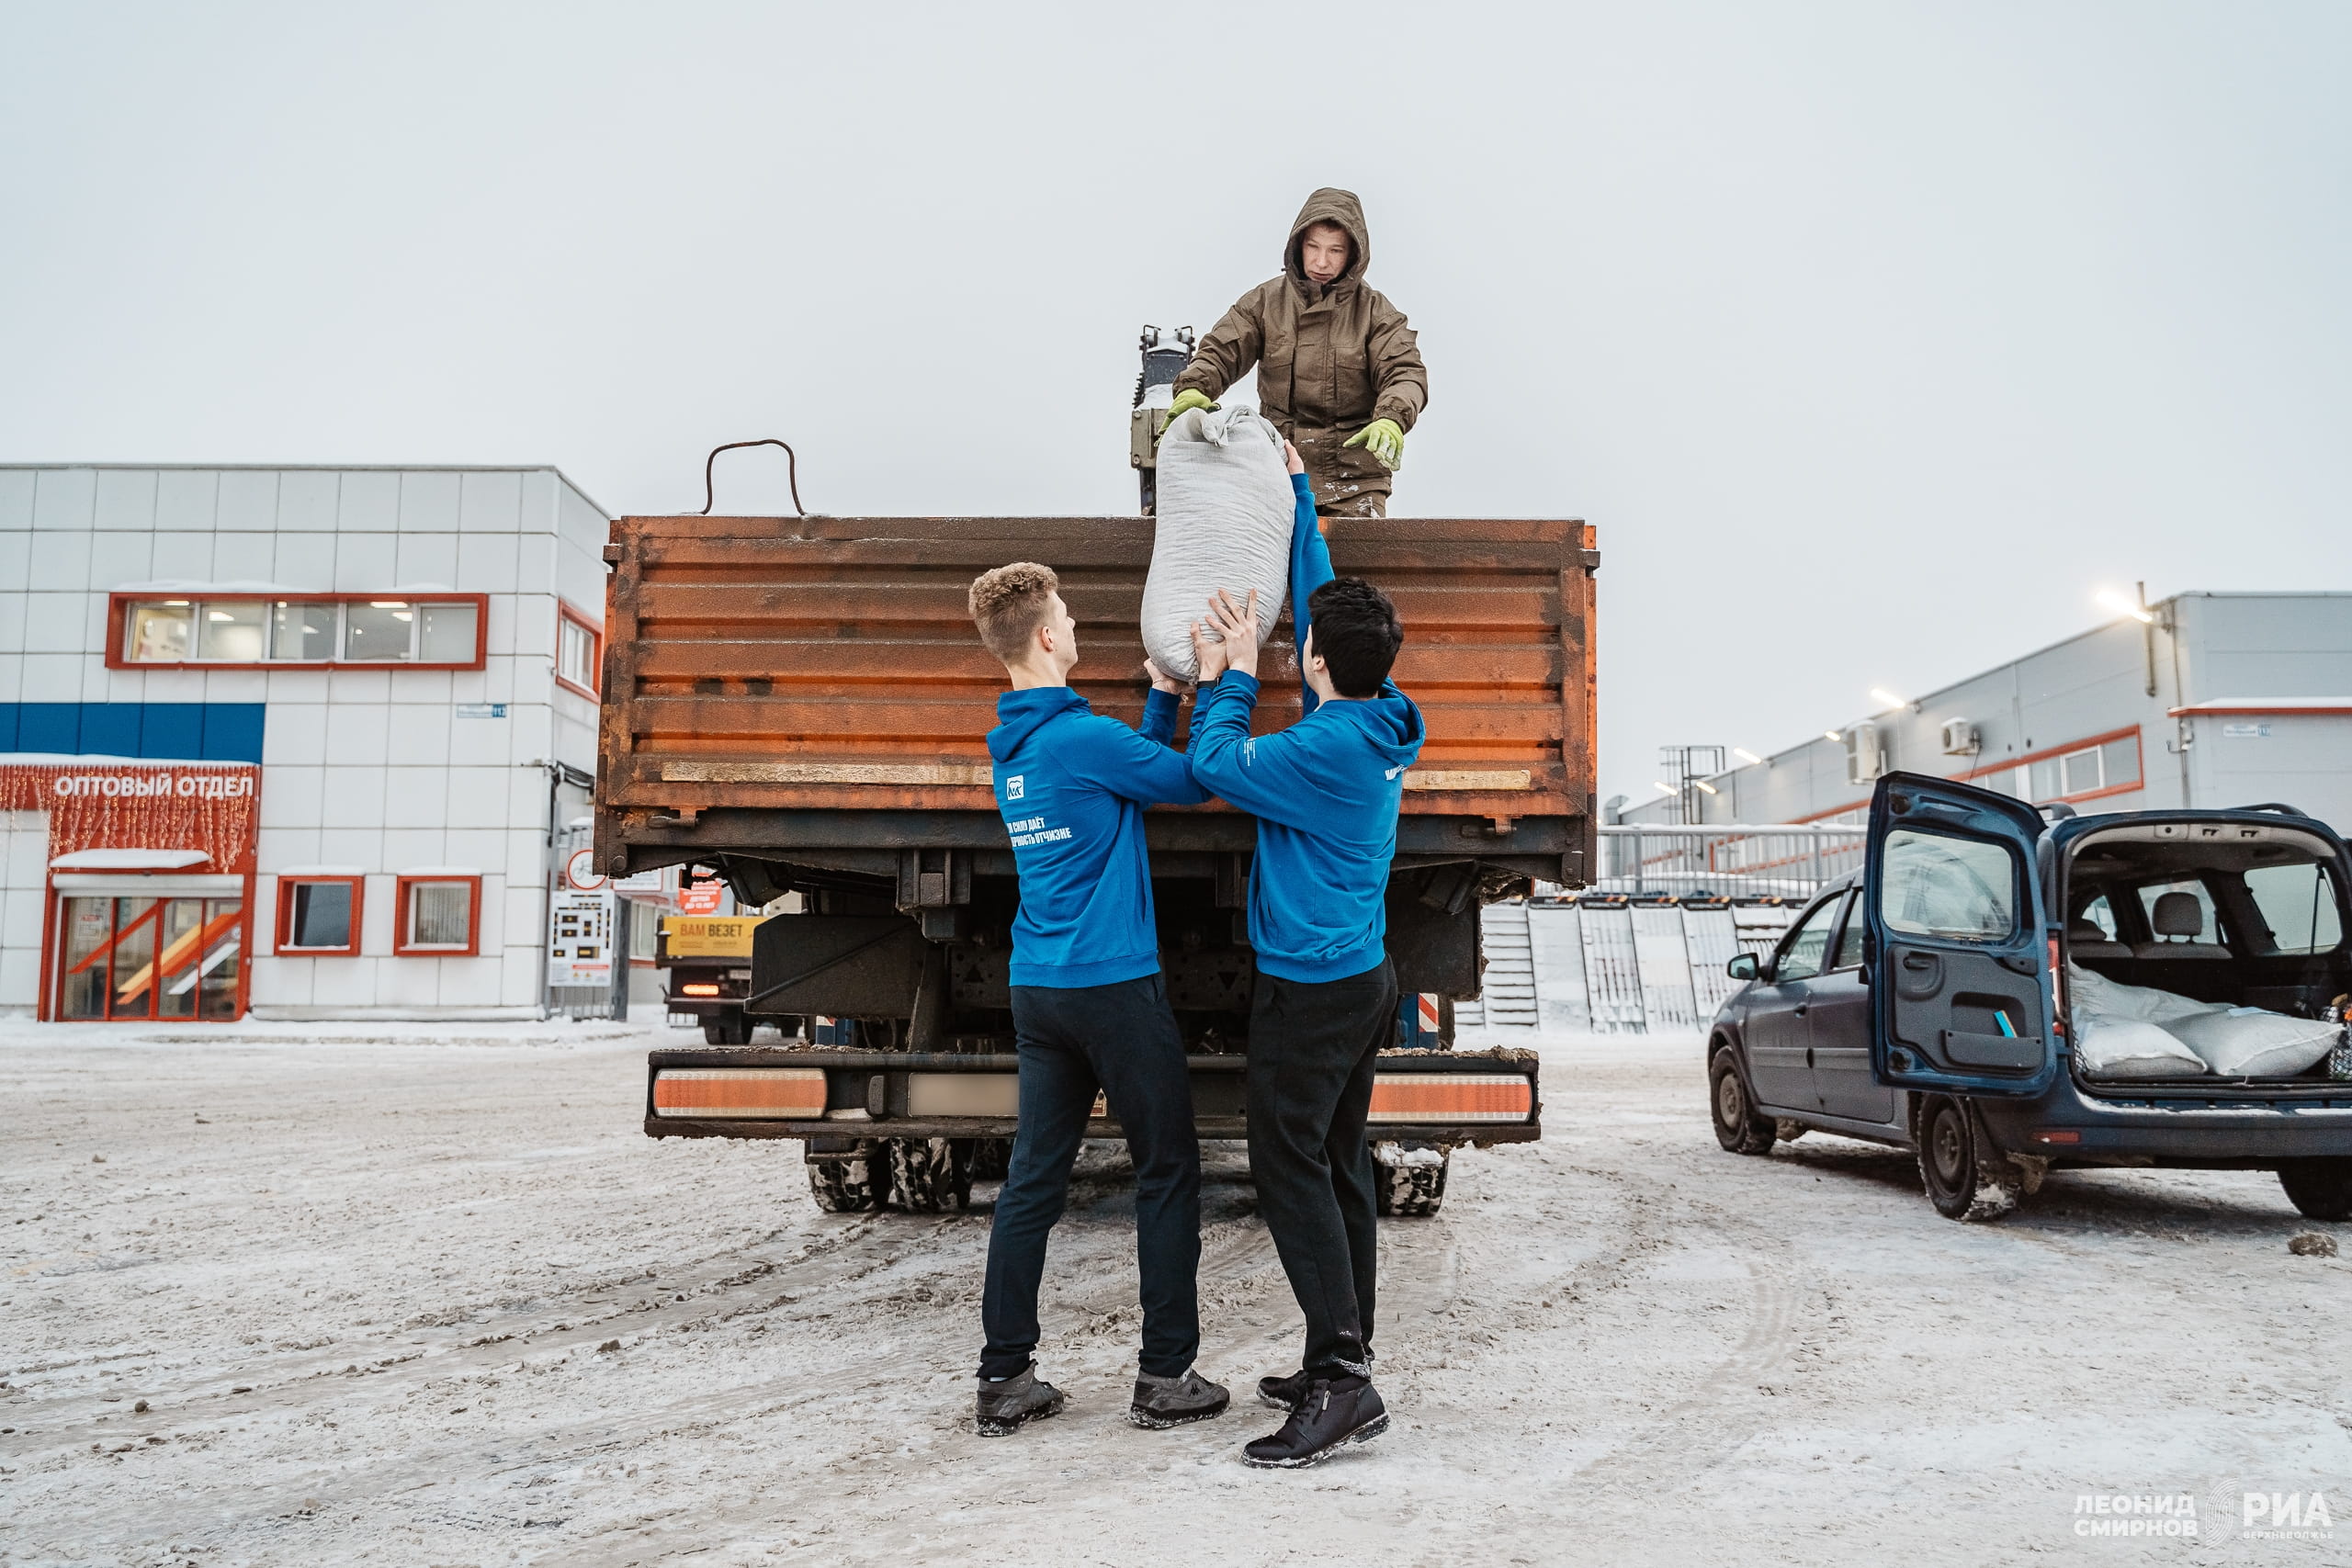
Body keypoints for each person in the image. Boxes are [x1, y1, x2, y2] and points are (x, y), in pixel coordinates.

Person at [1183, 444, 1424, 1468]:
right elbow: (1321, 592)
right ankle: (1346, 1348)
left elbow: (1210, 762)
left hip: (1315, 989)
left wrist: (1232, 674)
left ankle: (1339, 1383)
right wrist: (1294, 492)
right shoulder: (1376, 715)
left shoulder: (1319, 749)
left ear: (1313, 659)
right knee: (1336, 1164)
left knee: (1287, 1170)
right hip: (1359, 977)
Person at [964, 561, 1231, 1438]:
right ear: (1046, 636)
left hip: (1040, 989)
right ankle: (1165, 1375)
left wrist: (1156, 702)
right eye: (1069, 616)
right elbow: (1187, 782)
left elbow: (1124, 785)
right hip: (1114, 986)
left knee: (1032, 1181)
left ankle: (1004, 1378)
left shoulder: (1019, 747)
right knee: (1166, 1169)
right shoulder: (1079, 737)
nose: (1077, 625)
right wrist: (1212, 686)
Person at [1163, 187, 1428, 520]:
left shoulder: (1376, 314)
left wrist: (1392, 417)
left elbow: (1405, 371)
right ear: (1298, 245)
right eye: (1313, 247)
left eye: (1335, 250)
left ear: (1353, 255)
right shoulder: (1264, 303)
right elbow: (1221, 350)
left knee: (1349, 569)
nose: (1321, 261)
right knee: (1267, 568)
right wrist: (1193, 388)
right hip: (1275, 470)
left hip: (1354, 483)